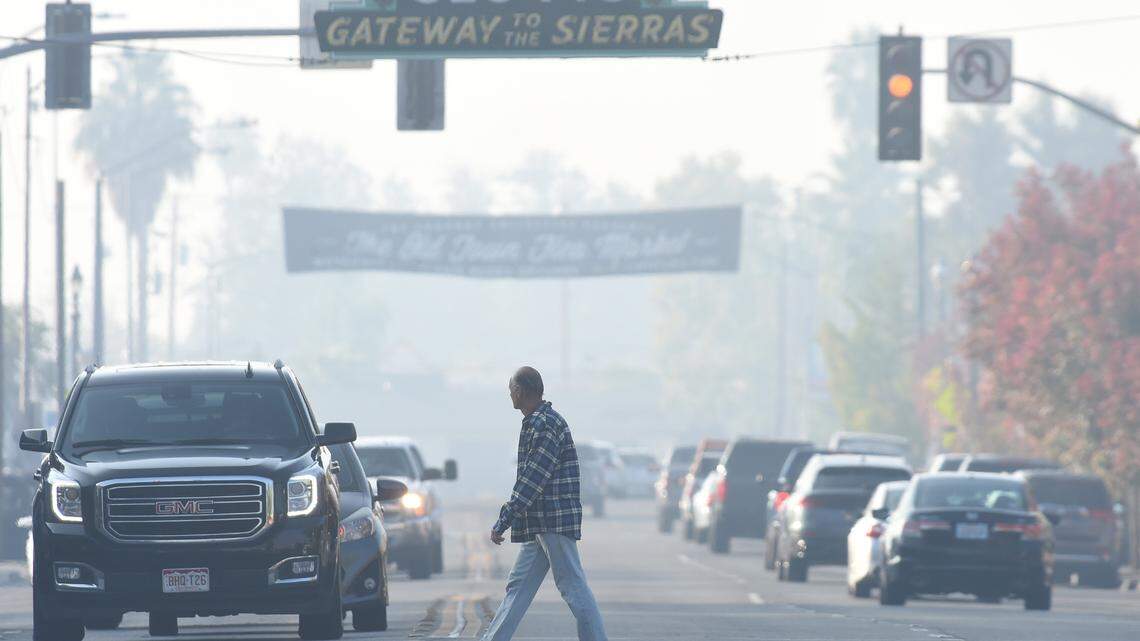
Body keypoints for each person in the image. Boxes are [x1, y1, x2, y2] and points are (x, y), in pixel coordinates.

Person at [483, 367, 608, 641]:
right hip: (540, 521)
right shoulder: (536, 421)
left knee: (573, 586)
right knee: (518, 587)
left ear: (521, 391)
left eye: (511, 390)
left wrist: (504, 519)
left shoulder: (544, 424)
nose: (510, 396)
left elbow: (532, 478)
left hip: (552, 519)